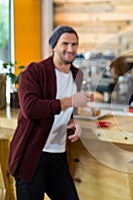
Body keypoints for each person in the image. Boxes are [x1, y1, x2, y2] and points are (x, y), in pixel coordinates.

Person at [8, 25, 92, 200]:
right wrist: (70, 101)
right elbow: (30, 108)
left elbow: (66, 111)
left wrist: (74, 121)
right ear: (53, 46)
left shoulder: (77, 75)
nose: (71, 49)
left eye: (75, 44)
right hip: (31, 158)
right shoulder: (34, 72)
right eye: (65, 44)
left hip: (58, 157)